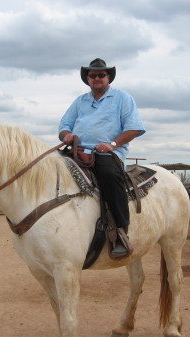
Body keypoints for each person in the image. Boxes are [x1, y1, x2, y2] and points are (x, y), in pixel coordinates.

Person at [58, 58, 145, 258]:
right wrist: (67, 136)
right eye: (93, 75)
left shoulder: (122, 98)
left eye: (101, 75)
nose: (97, 78)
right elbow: (64, 125)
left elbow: (134, 128)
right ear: (87, 79)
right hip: (78, 150)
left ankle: (122, 231)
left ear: (108, 78)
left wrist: (112, 145)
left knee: (108, 174)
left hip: (108, 153)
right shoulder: (80, 101)